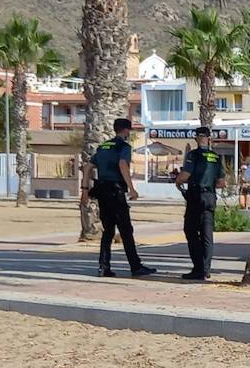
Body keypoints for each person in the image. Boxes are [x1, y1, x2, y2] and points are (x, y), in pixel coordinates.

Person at [80, 117, 156, 278]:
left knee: (108, 231)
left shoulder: (103, 147)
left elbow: (88, 167)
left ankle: (103, 267)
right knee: (126, 230)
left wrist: (85, 190)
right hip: (116, 192)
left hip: (102, 192)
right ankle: (136, 267)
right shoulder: (124, 147)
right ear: (126, 130)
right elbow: (123, 164)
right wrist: (132, 188)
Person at [174, 125, 226, 280]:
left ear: (197, 138)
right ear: (209, 138)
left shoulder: (194, 155)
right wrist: (208, 183)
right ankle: (206, 269)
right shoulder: (215, 157)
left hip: (196, 197)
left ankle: (198, 269)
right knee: (207, 234)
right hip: (210, 197)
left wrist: (178, 181)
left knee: (190, 231)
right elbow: (222, 182)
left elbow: (184, 175)